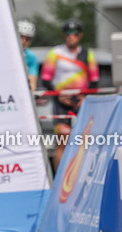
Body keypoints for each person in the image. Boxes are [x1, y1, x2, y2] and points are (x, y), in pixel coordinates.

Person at [40, 18, 99, 170]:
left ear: (80, 35)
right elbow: (46, 78)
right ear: (64, 35)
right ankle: (60, 177)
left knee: (84, 141)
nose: (71, 36)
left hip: (81, 102)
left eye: (75, 33)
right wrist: (59, 95)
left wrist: (84, 98)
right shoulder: (56, 53)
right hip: (61, 103)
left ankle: (81, 175)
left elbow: (94, 79)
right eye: (68, 33)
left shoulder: (87, 53)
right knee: (62, 140)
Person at [18, 20, 39, 92]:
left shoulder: (31, 57)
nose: (23, 41)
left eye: (27, 39)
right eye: (21, 37)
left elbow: (32, 82)